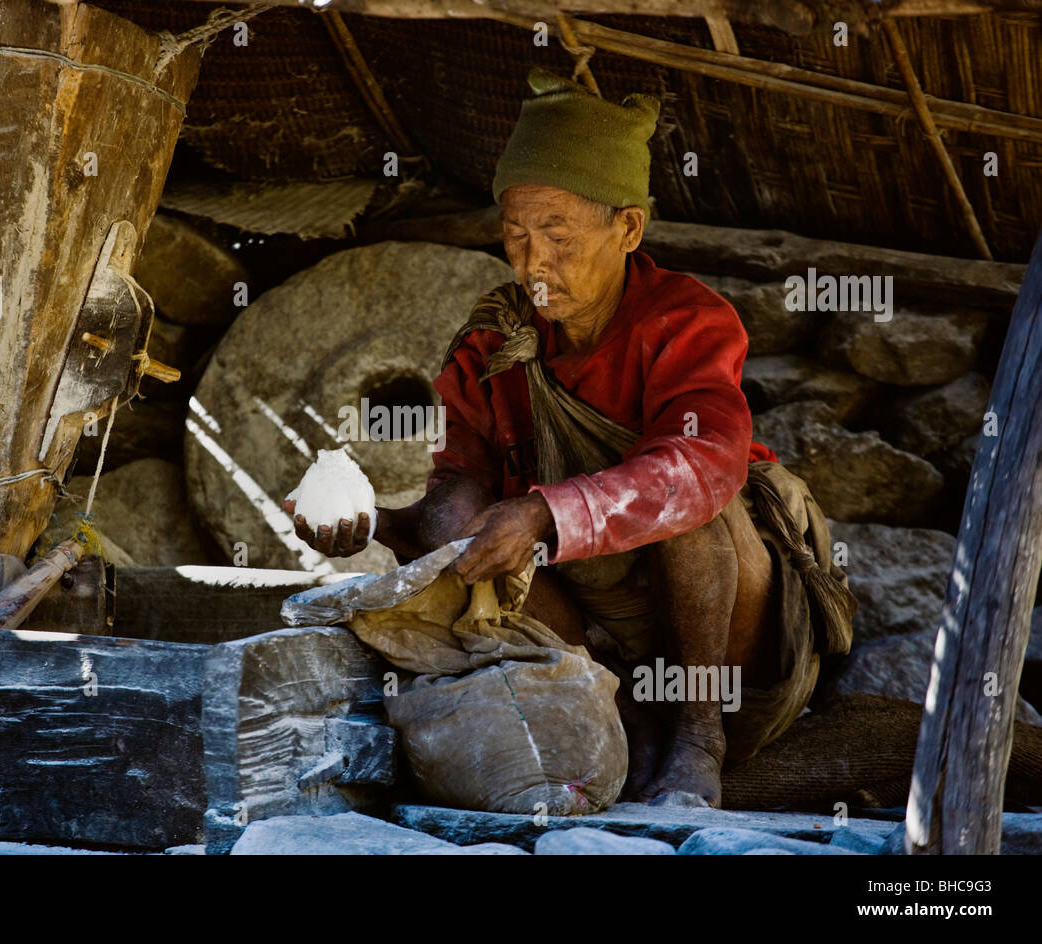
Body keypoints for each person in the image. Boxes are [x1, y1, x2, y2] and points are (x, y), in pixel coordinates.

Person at [285, 68, 852, 808]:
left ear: (627, 229)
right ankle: (615, 716)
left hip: (728, 635)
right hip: (591, 634)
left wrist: (549, 514)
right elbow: (457, 497)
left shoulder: (684, 320)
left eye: (558, 235)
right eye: (516, 237)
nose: (532, 263)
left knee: (693, 501)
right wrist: (370, 529)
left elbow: (704, 464)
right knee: (459, 515)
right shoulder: (496, 342)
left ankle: (695, 739)